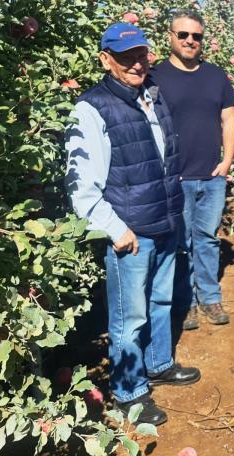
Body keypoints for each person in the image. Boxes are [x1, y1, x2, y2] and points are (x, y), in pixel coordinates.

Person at [65, 22, 201, 426]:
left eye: (140, 55)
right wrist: (116, 229)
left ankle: (159, 363)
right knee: (129, 318)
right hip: (132, 232)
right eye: (125, 57)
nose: (136, 63)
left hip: (164, 222)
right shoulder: (91, 109)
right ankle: (129, 391)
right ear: (106, 60)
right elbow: (81, 187)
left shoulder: (152, 97)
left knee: (161, 303)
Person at [149, 9, 234, 330]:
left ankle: (210, 298)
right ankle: (184, 301)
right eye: (183, 35)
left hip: (212, 176)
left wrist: (227, 161)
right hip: (175, 177)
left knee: (207, 238)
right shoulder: (155, 77)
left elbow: (230, 119)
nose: (190, 41)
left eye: (196, 36)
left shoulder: (215, 76)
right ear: (170, 36)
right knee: (180, 241)